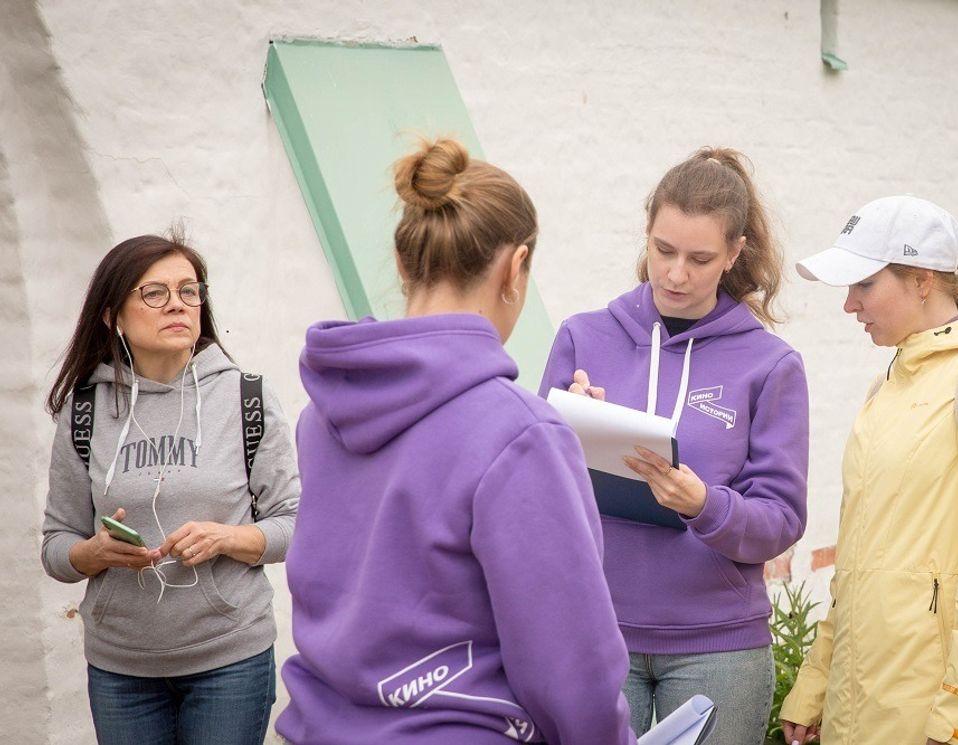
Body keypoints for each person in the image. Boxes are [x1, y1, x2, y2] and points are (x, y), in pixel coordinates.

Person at [276, 137, 636, 745]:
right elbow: (571, 670)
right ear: (515, 268)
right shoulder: (520, 435)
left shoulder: (324, 414)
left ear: (401, 261)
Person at [538, 147, 810, 745]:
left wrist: (703, 505)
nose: (676, 274)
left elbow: (783, 519)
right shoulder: (582, 339)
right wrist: (570, 428)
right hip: (596, 632)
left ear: (736, 253)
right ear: (647, 234)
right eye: (664, 250)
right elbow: (532, 495)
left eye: (700, 257)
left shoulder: (771, 365)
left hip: (721, 648)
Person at [780, 195, 958, 745]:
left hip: (934, 712)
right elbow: (855, 560)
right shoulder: (889, 385)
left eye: (864, 285)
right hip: (861, 700)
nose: (850, 304)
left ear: (923, 280)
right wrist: (816, 684)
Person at [40, 231, 301, 745]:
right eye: (154, 293)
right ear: (113, 316)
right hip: (121, 669)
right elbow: (55, 547)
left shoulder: (246, 396)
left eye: (189, 290)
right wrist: (94, 552)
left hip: (230, 659)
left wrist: (224, 537)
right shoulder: (85, 411)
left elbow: (294, 524)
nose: (177, 304)